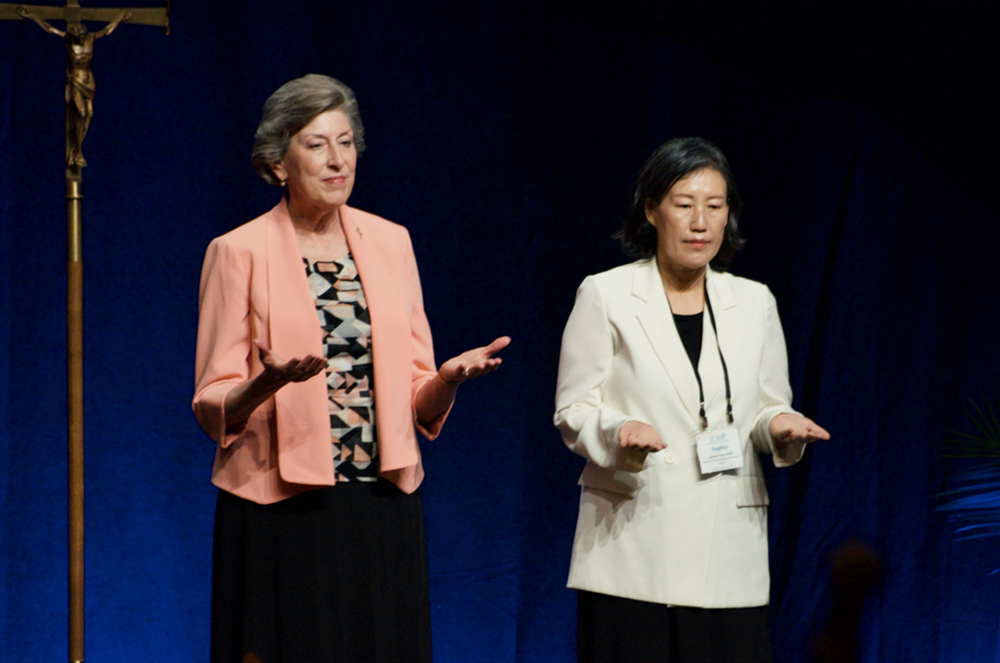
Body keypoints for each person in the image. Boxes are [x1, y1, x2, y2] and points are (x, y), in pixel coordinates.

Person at [193, 74, 509, 663]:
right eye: (316, 145)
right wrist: (269, 381)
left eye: (346, 142)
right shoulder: (236, 252)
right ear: (277, 161)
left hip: (379, 505)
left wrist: (445, 380)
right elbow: (212, 402)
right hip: (279, 507)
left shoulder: (391, 243)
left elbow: (418, 397)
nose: (338, 160)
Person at [553, 137, 830, 663]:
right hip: (631, 548)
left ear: (729, 216)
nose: (700, 221)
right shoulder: (606, 294)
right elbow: (574, 410)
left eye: (715, 206)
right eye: (684, 205)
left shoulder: (754, 302)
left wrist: (780, 427)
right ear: (652, 210)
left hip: (727, 549)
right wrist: (618, 433)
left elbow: (768, 405)